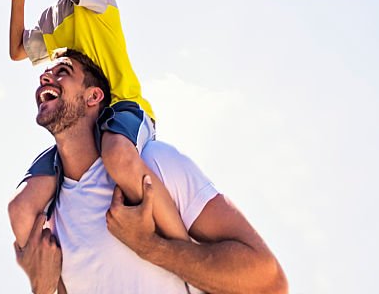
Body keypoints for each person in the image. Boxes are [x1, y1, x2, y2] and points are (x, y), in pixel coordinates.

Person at [14, 50, 288, 294]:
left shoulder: (153, 163)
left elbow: (270, 283)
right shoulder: (48, 220)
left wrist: (150, 246)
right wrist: (43, 288)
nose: (44, 79)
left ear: (93, 96)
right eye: (45, 75)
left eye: (62, 71)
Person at [6, 0, 189, 249]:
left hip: (123, 106)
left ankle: (184, 248)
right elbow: (18, 51)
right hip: (80, 124)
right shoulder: (56, 15)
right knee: (21, 208)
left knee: (118, 154)